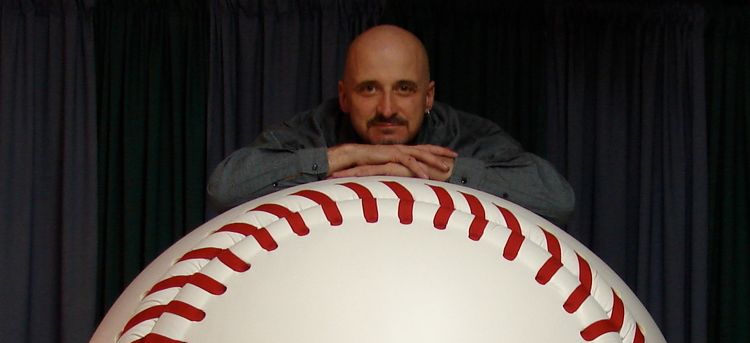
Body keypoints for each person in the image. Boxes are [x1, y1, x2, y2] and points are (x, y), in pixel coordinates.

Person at [207, 25, 574, 225]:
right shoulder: (314, 129)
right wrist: (343, 157)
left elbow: (558, 201)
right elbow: (225, 188)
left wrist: (443, 172)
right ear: (344, 96)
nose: (386, 108)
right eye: (369, 89)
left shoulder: (467, 135)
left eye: (404, 89)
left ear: (428, 97)